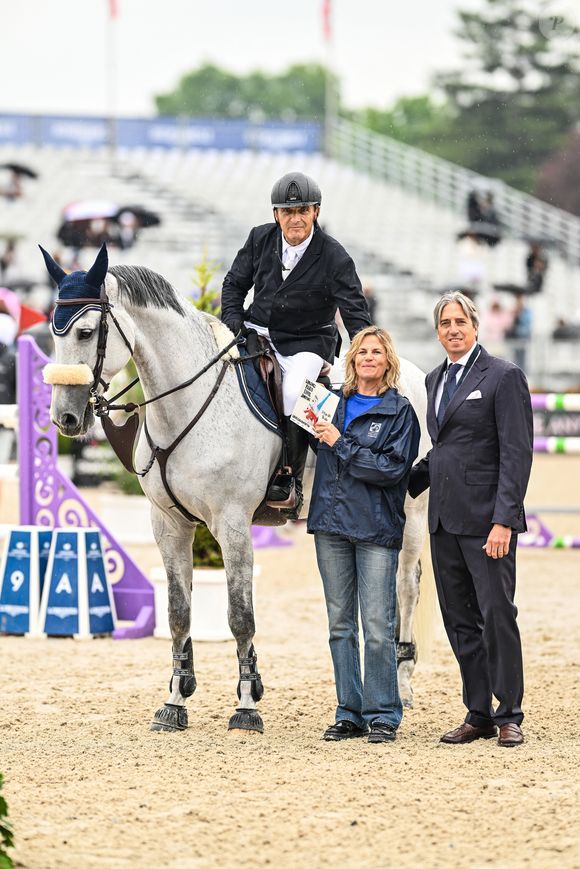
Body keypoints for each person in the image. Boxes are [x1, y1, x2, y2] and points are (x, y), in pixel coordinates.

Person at [408, 291, 533, 748]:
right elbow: (443, 450)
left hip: (487, 524)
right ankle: (478, 712)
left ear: (475, 326)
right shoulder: (435, 379)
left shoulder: (504, 376)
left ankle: (509, 714)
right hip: (443, 521)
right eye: (445, 323)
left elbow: (516, 454)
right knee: (459, 621)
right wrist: (398, 479)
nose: (453, 329)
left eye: (461, 321)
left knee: (497, 615)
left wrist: (504, 520)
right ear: (438, 331)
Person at [220, 171, 371, 517]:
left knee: (294, 391)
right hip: (257, 331)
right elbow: (233, 286)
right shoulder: (260, 238)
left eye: (303, 211)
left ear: (315, 212)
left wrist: (362, 355)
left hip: (308, 340)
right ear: (276, 215)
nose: (295, 219)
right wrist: (236, 326)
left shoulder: (334, 256)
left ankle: (290, 478)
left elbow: (355, 312)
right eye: (288, 212)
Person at [307, 326, 420, 744]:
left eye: (376, 352)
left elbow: (391, 471)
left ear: (388, 361)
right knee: (340, 625)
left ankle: (384, 713)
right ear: (351, 361)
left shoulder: (400, 412)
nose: (368, 358)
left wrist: (340, 444)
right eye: (361, 352)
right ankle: (349, 711)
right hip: (331, 527)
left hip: (375, 528)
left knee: (376, 625)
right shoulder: (330, 404)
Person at [505, 292, 533, 371]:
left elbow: (526, 325)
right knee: (513, 358)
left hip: (522, 338)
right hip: (514, 338)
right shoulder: (513, 311)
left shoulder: (526, 312)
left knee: (522, 358)